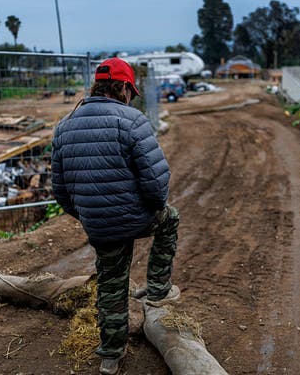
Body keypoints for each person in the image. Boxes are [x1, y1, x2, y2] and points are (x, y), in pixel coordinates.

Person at [51, 57, 180, 375]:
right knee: (170, 218)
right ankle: (158, 289)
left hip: (97, 223)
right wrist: (154, 207)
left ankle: (110, 356)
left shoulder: (64, 126)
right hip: (136, 216)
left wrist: (86, 214)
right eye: (129, 91)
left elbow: (60, 190)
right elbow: (155, 180)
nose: (130, 97)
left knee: (111, 283)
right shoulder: (132, 121)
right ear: (122, 87)